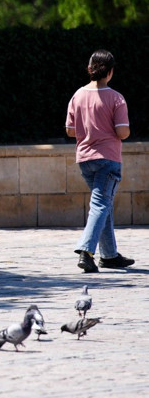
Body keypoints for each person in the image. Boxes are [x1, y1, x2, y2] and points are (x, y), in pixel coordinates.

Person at [65, 49, 133, 273]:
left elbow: (70, 130)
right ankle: (87, 251)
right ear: (110, 72)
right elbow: (122, 132)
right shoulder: (116, 98)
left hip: (85, 160)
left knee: (104, 204)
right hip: (108, 159)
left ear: (89, 69)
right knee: (101, 204)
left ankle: (110, 255)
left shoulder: (77, 95)